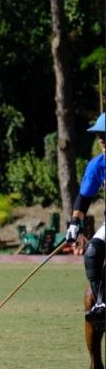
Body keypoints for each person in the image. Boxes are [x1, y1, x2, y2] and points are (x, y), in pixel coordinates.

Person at [67, 113, 106, 320]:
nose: (102, 140)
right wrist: (75, 222)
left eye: (105, 135)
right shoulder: (97, 166)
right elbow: (83, 198)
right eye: (100, 135)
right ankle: (101, 304)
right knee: (92, 251)